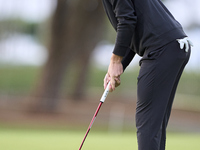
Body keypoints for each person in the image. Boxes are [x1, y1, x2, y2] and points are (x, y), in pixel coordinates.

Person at [102, 0, 193, 150]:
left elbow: (127, 21)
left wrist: (115, 60)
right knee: (155, 124)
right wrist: (117, 67)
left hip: (161, 49)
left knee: (148, 123)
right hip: (174, 46)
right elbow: (132, 31)